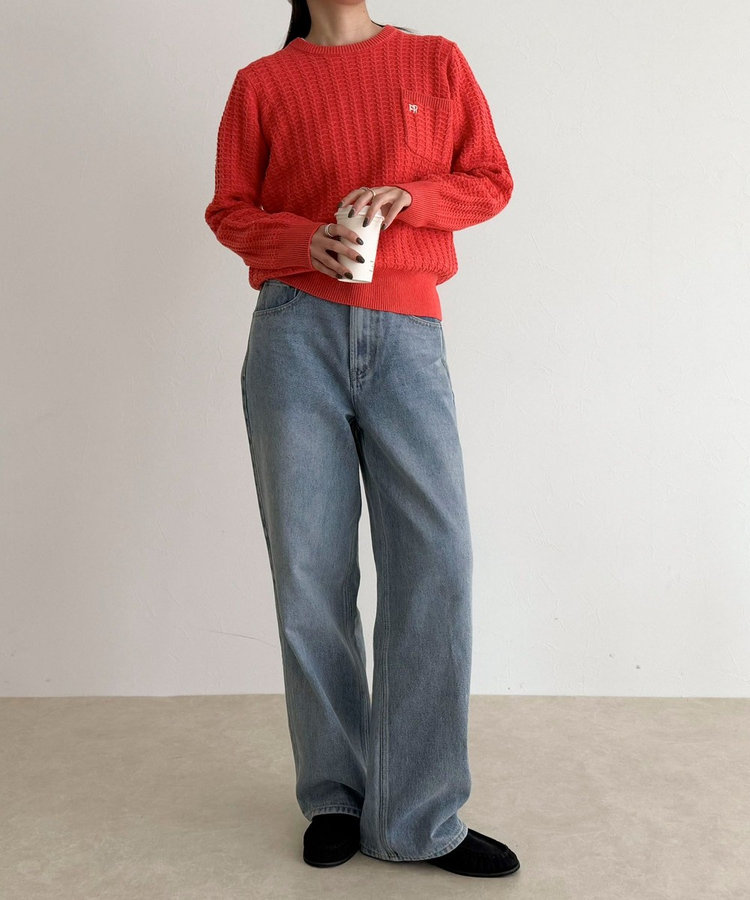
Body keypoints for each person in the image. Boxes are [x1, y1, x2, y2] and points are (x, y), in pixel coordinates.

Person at [205, 0, 520, 879]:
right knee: (311, 572)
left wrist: (413, 197)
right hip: (293, 336)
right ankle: (335, 795)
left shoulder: (436, 61)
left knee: (436, 562)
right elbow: (229, 209)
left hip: (409, 338)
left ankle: (419, 816)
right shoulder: (263, 84)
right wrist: (302, 239)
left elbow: (491, 179)